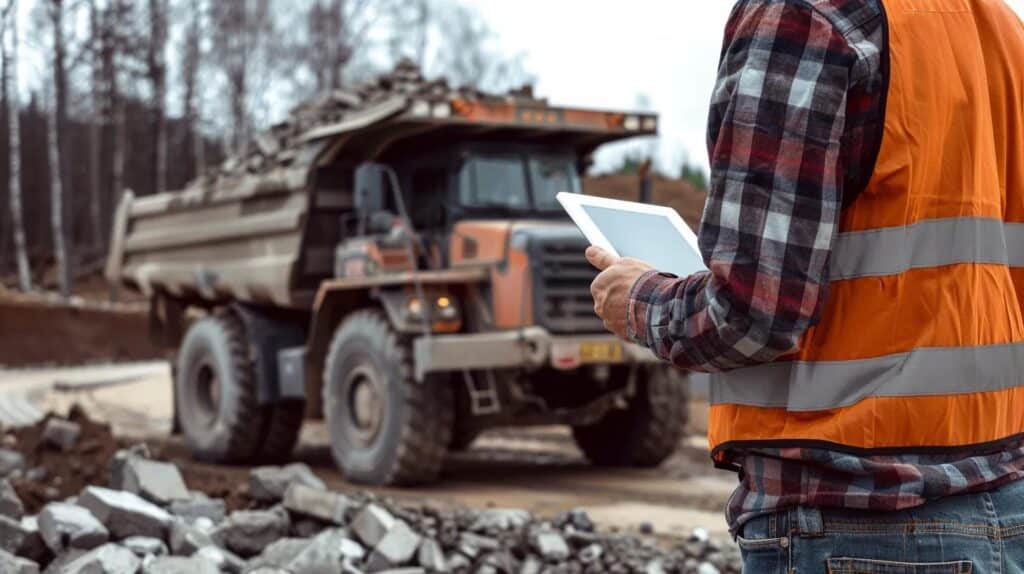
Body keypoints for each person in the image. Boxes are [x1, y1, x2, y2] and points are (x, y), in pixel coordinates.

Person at [587, 0, 1024, 570]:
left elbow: (751, 314)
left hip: (857, 518)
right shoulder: (995, 26)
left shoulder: (804, 15)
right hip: (1004, 501)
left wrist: (642, 300)